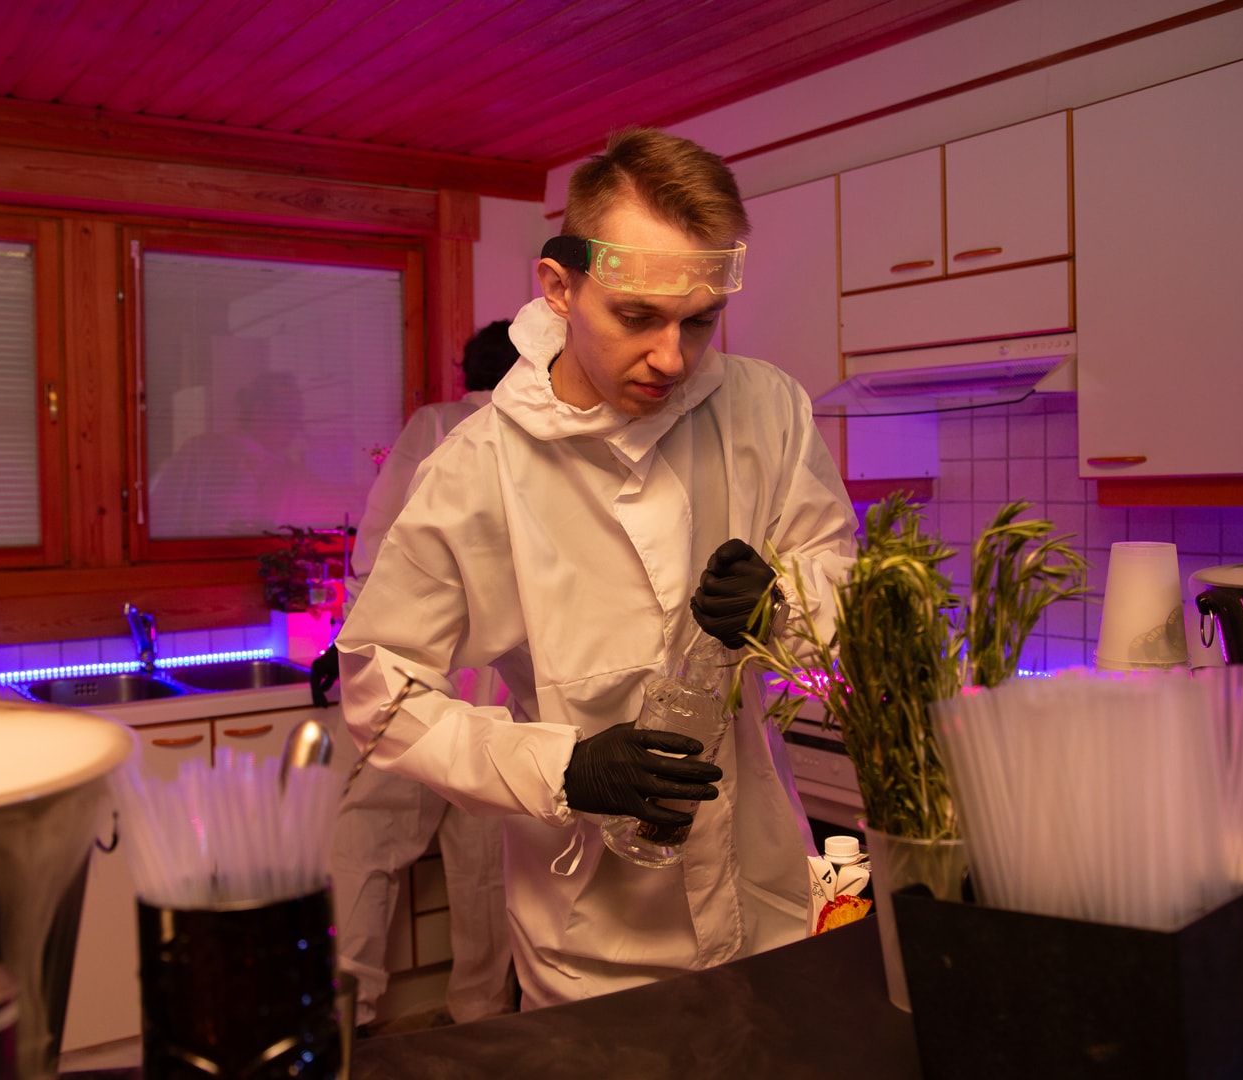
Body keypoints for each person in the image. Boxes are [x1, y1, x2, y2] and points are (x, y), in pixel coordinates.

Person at [333, 127, 858, 1009]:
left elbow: (837, 576)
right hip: (591, 947)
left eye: (700, 320)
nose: (673, 357)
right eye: (637, 317)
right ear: (560, 287)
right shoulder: (478, 471)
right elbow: (381, 695)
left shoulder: (764, 408)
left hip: (769, 896)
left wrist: (782, 604)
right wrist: (564, 768)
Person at [324, 320, 521, 1032]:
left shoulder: (432, 426)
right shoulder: (534, 433)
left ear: (465, 371)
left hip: (407, 675)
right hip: (496, 683)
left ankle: (347, 1014)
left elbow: (375, 551)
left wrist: (352, 649)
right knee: (484, 862)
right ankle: (480, 1018)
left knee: (364, 844)